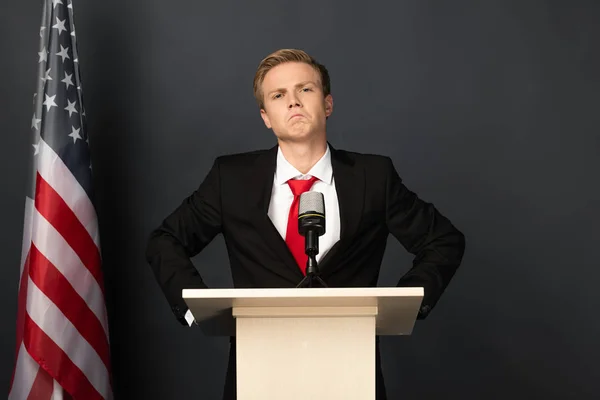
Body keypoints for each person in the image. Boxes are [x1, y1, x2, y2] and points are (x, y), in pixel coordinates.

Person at [145, 48, 466, 400]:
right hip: (258, 371)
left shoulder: (374, 177)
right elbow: (165, 240)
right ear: (266, 116)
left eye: (305, 90)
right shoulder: (231, 179)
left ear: (327, 104)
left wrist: (405, 303)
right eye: (279, 95)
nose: (293, 102)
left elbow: (443, 241)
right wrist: (199, 310)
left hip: (350, 370)